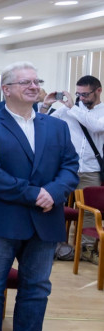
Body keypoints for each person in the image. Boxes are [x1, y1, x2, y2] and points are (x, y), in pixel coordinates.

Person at [0, 62, 78, 331]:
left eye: (36, 81)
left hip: (45, 218)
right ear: (6, 89)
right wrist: (36, 193)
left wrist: (54, 192)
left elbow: (70, 167)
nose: (33, 86)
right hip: (5, 218)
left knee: (37, 286)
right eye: (25, 82)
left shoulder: (56, 126)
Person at [43, 76, 104, 259]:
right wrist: (45, 105)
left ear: (98, 91)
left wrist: (72, 107)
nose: (81, 98)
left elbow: (95, 126)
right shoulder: (67, 110)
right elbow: (42, 123)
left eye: (85, 94)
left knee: (89, 210)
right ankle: (58, 246)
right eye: (78, 94)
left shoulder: (96, 111)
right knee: (55, 205)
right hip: (66, 168)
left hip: (91, 168)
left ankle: (85, 249)